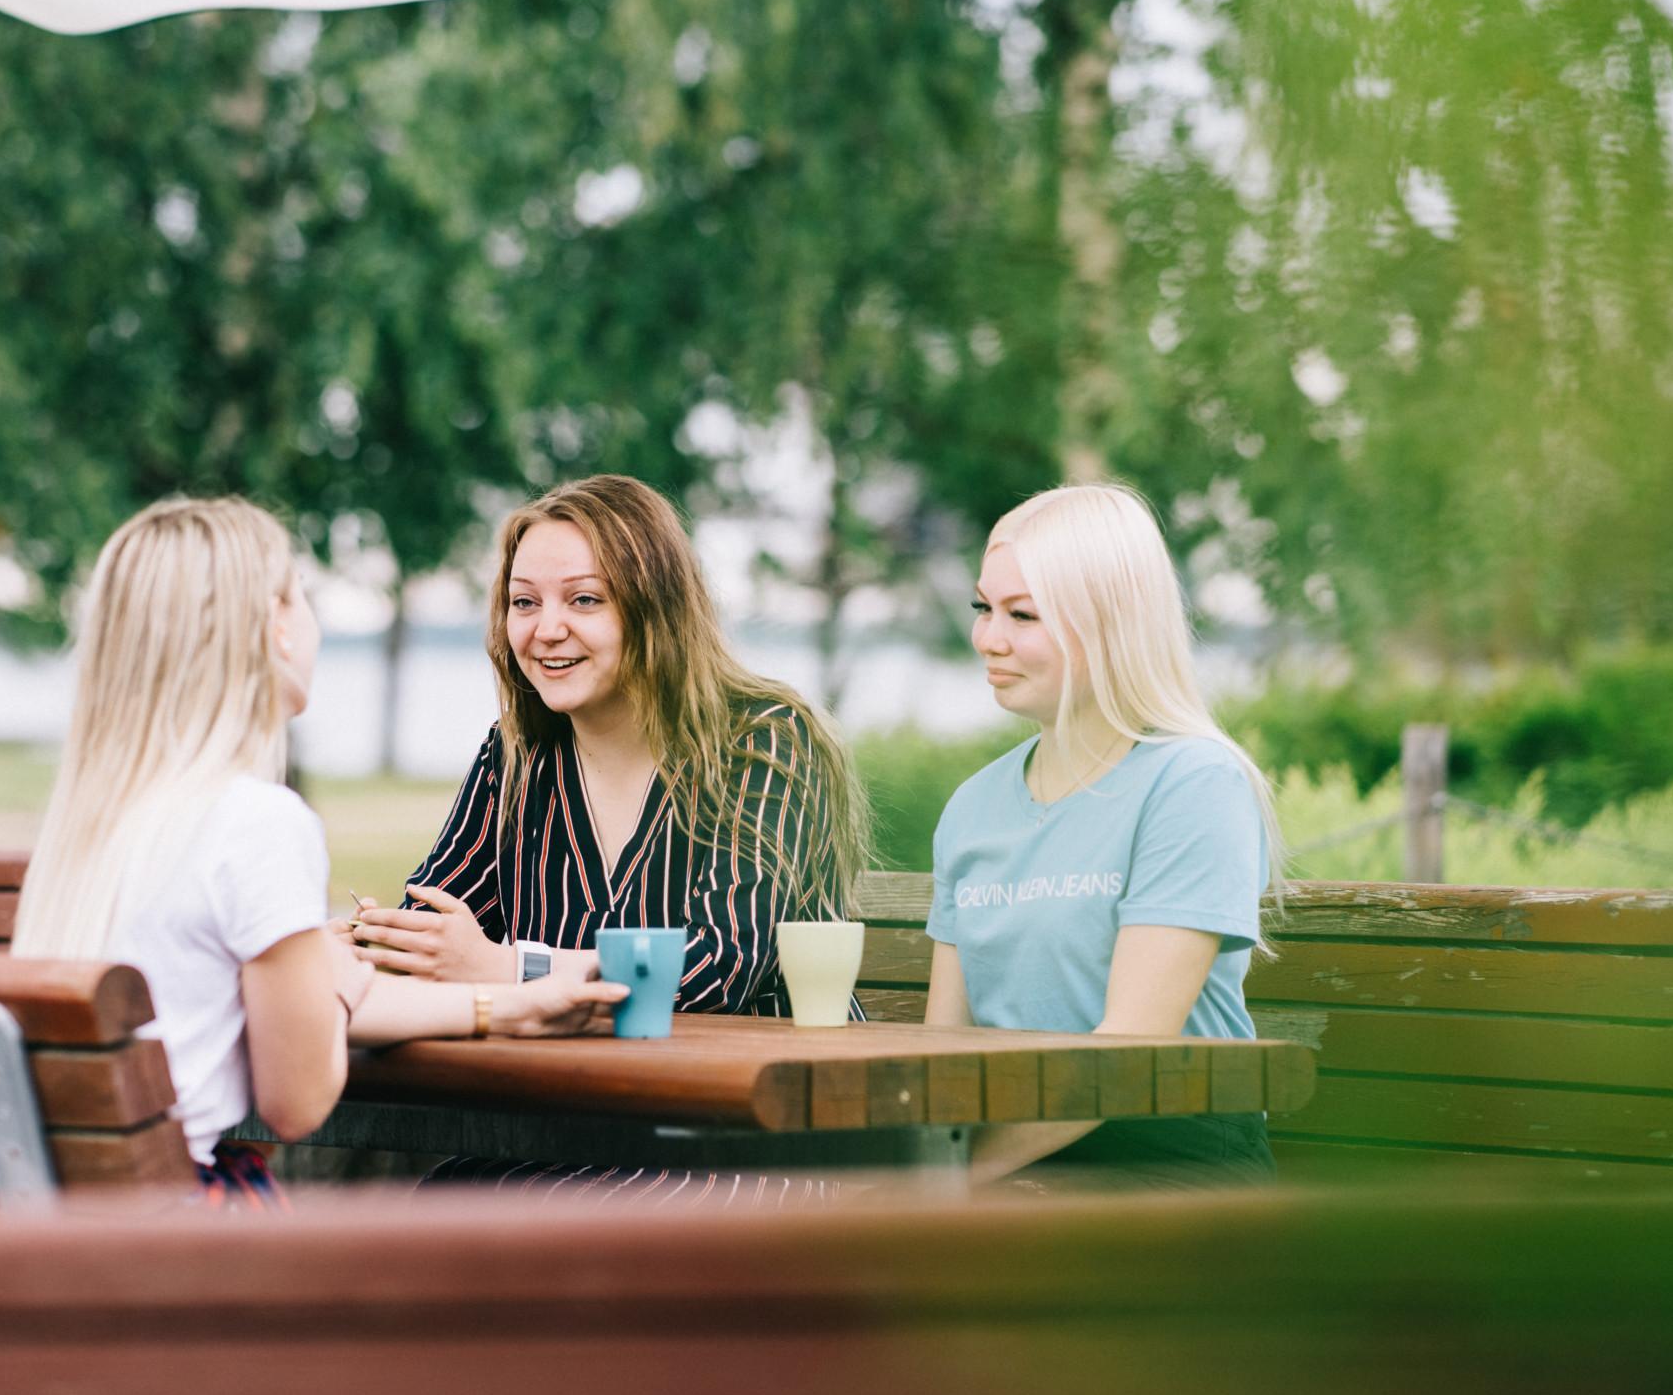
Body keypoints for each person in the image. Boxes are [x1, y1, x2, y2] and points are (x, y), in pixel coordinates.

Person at [10, 497, 624, 1206]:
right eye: (301, 596)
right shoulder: (258, 822)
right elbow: (298, 1101)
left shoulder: (97, 826)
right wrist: (329, 971)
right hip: (188, 1237)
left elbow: (309, 1001)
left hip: (69, 1231)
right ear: (272, 627)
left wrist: (507, 1004)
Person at [349, 474, 869, 1019]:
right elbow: (437, 933)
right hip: (574, 1090)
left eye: (585, 599)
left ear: (655, 608)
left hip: (753, 1092)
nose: (546, 628)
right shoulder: (515, 757)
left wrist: (512, 969)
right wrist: (382, 940)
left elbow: (717, 970)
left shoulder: (763, 741)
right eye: (524, 602)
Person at [924, 481, 1284, 1190]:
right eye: (983, 607)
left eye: (1023, 614)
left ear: (1111, 623)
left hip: (1167, 1164)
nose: (988, 638)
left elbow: (1129, 1052)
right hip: (1009, 1164)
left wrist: (952, 1177)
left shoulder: (1193, 783)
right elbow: (945, 1048)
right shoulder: (974, 806)